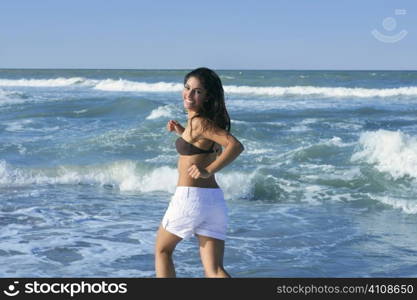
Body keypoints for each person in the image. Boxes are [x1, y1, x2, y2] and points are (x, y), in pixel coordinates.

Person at [154, 67, 244, 278]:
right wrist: (180, 132)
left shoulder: (200, 123)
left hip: (190, 198)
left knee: (162, 251)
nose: (189, 94)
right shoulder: (202, 124)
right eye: (187, 88)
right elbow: (199, 147)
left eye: (198, 91)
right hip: (213, 202)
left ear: (207, 96)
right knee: (214, 270)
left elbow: (235, 146)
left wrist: (208, 170)